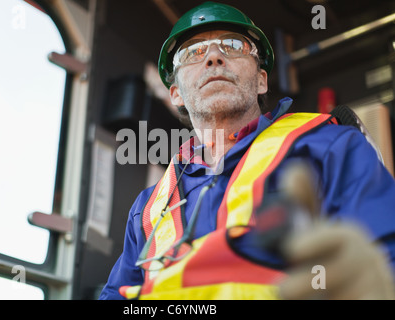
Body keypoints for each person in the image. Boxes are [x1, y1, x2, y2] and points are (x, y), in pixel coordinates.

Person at [99, 1, 395, 300]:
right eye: (193, 52)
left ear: (262, 80)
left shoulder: (330, 146)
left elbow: (385, 257)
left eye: (232, 45)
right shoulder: (148, 208)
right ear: (175, 93)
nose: (214, 57)